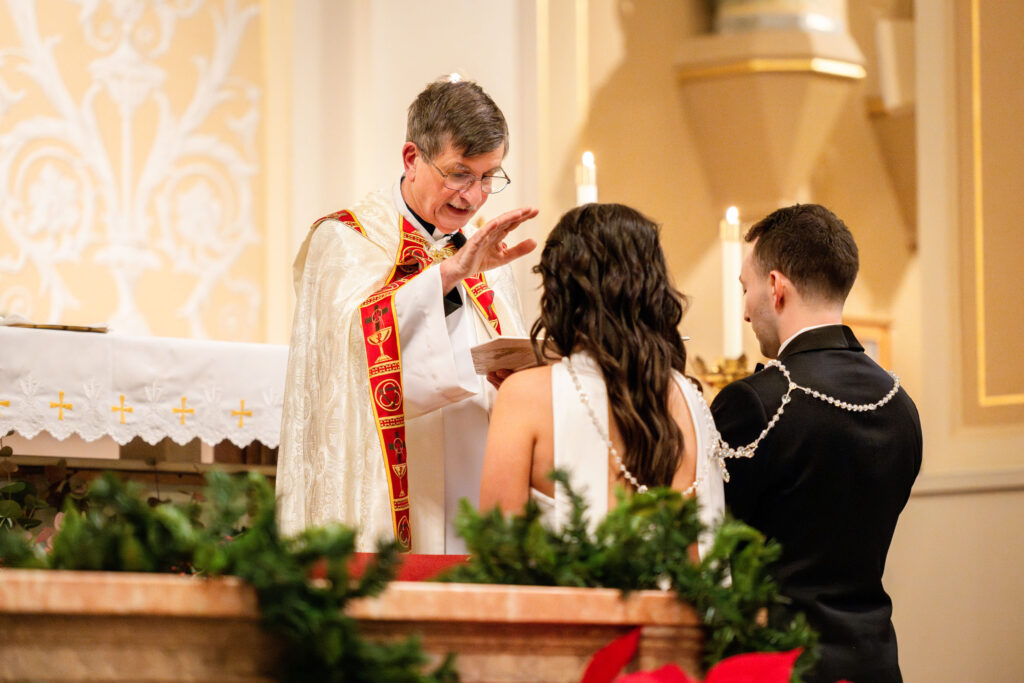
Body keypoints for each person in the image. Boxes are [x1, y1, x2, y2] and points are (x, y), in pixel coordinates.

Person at [276, 77, 539, 554]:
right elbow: (345, 357)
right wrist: (446, 276)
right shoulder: (346, 240)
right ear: (411, 158)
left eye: (488, 177)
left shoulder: (483, 255)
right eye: (459, 174)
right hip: (394, 482)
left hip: (476, 481)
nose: (474, 197)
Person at [710, 204, 922, 683]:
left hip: (780, 664)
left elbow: (708, 538)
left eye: (745, 288)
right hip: (875, 662)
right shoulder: (901, 405)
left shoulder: (755, 403)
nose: (744, 310)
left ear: (776, 287)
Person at [479, 204, 725, 559]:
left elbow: (497, 553)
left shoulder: (524, 395)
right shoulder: (689, 399)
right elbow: (696, 557)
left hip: (564, 612)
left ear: (559, 291)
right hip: (667, 614)